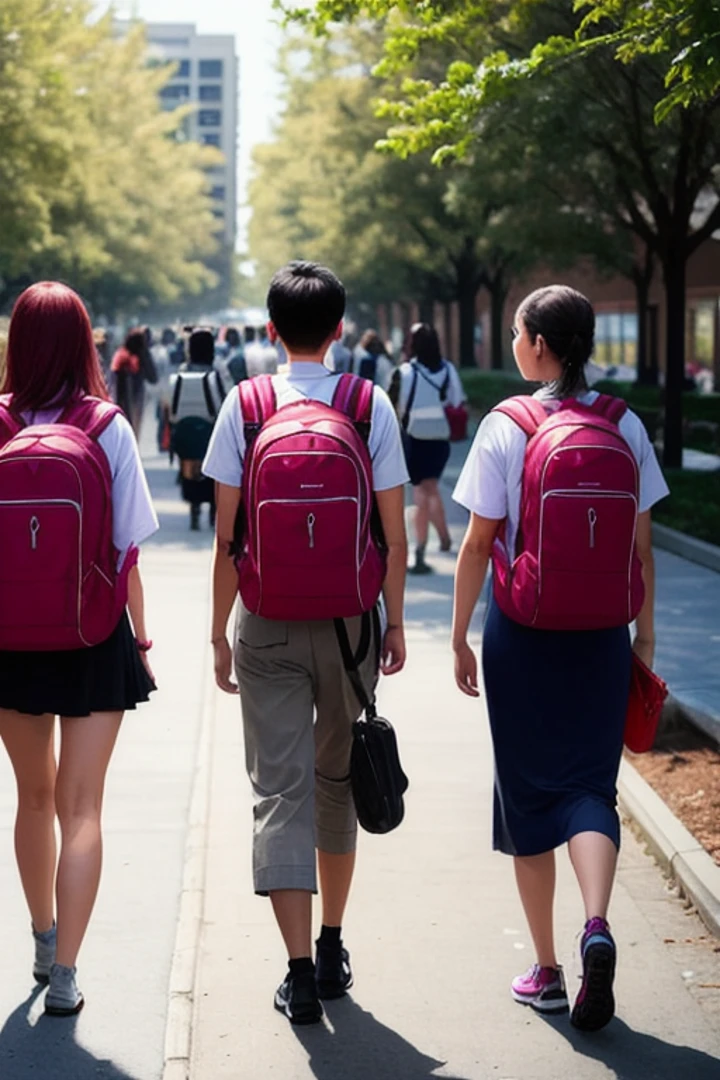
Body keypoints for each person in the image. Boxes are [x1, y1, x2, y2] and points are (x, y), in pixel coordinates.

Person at [451, 284, 669, 1032]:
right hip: (603, 639)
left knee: (527, 801)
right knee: (589, 790)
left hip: (525, 633)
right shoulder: (625, 426)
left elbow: (479, 544)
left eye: (517, 331)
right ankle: (597, 924)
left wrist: (458, 636)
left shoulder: (506, 426)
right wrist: (643, 640)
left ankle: (545, 969)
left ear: (540, 346)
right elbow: (641, 546)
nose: (513, 341)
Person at [202, 260, 408, 1026]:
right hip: (350, 623)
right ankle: (331, 944)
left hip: (268, 621)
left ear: (269, 330)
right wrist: (389, 623)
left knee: (277, 791)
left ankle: (295, 973)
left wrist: (219, 635)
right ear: (340, 330)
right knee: (333, 781)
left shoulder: (246, 406)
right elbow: (393, 530)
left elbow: (228, 536)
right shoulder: (366, 403)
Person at [0, 282, 158, 1016]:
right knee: (83, 807)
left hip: (9, 639)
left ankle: (38, 937)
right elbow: (127, 550)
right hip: (93, 633)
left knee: (32, 797)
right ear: (85, 341)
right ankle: (66, 974)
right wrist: (143, 638)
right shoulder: (106, 426)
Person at [389, 322, 465, 574]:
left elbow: (395, 406)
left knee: (422, 491)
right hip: (440, 438)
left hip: (414, 437)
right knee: (431, 487)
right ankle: (443, 538)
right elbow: (456, 400)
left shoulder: (405, 371)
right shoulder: (447, 370)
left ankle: (419, 549)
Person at [169, 327, 226, 530]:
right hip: (209, 432)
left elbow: (170, 408)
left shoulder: (178, 376)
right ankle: (212, 512)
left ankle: (194, 511)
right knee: (211, 473)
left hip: (184, 433)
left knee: (188, 472)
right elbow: (222, 405)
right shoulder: (214, 375)